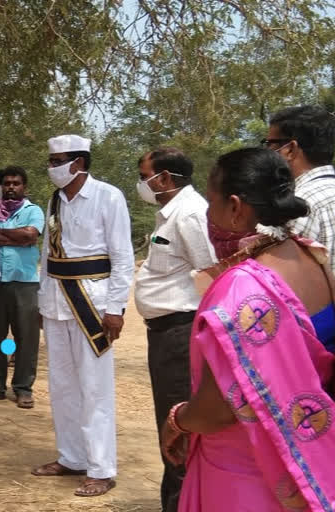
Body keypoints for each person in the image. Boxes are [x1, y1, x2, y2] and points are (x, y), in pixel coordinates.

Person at [160, 148, 335, 511]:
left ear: (235, 207)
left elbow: (217, 411)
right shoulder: (313, 258)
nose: (207, 213)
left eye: (212, 201)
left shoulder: (242, 289)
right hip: (309, 460)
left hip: (245, 473)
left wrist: (177, 421)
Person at [33, 135, 134, 497]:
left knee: (95, 389)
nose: (51, 168)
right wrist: (42, 299)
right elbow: (46, 255)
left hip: (92, 303)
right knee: (62, 387)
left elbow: (123, 257)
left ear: (78, 162)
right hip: (57, 302)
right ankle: (71, 457)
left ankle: (101, 469)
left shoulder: (108, 196)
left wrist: (116, 309)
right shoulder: (55, 201)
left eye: (57, 160)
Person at [133, 148, 216, 512]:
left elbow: (212, 271)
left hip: (180, 332)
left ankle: (180, 504)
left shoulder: (190, 213)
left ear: (164, 178)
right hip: (164, 332)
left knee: (177, 425)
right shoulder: (170, 213)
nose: (141, 184)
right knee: (169, 421)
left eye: (144, 176)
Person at [265, 105, 335, 313]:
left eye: (270, 144)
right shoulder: (332, 193)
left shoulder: (301, 203)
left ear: (290, 149)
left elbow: (278, 284)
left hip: (310, 334)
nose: (267, 153)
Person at [0, 166, 44, 408]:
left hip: (24, 282)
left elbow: (31, 235)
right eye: (7, 183)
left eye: (16, 183)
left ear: (24, 187)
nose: (11, 187)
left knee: (25, 337)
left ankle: (23, 388)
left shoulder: (33, 211)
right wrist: (16, 237)